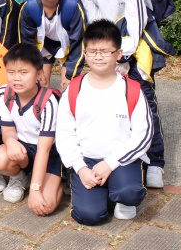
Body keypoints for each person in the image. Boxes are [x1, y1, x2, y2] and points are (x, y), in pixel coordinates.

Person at [73, 0, 173, 188]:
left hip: (136, 49)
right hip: (111, 53)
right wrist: (106, 57)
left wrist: (121, 57)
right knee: (116, 105)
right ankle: (125, 158)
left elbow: (137, 23)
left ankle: (155, 163)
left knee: (145, 101)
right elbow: (95, 24)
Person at [56, 20, 152, 225]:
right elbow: (64, 133)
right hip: (87, 161)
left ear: (118, 54)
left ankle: (123, 198)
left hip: (121, 160)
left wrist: (110, 164)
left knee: (129, 192)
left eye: (105, 51)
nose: (98, 56)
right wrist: (80, 168)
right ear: (85, 53)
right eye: (92, 51)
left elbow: (143, 136)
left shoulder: (132, 89)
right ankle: (104, 192)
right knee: (89, 216)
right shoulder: (74, 89)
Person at [0, 43, 65, 211]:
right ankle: (20, 177)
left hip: (49, 153)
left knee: (45, 206)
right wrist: (10, 142)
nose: (16, 78)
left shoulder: (48, 102)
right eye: (11, 72)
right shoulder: (3, 94)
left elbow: (44, 149)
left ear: (39, 74)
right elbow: (8, 130)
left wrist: (35, 190)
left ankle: (59, 179)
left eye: (23, 72)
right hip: (23, 148)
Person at [19, 0, 86, 90]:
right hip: (44, 44)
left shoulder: (72, 6)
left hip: (68, 44)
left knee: (68, 87)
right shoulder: (29, 8)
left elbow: (79, 42)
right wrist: (36, 69)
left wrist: (70, 74)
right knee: (39, 86)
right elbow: (27, 43)